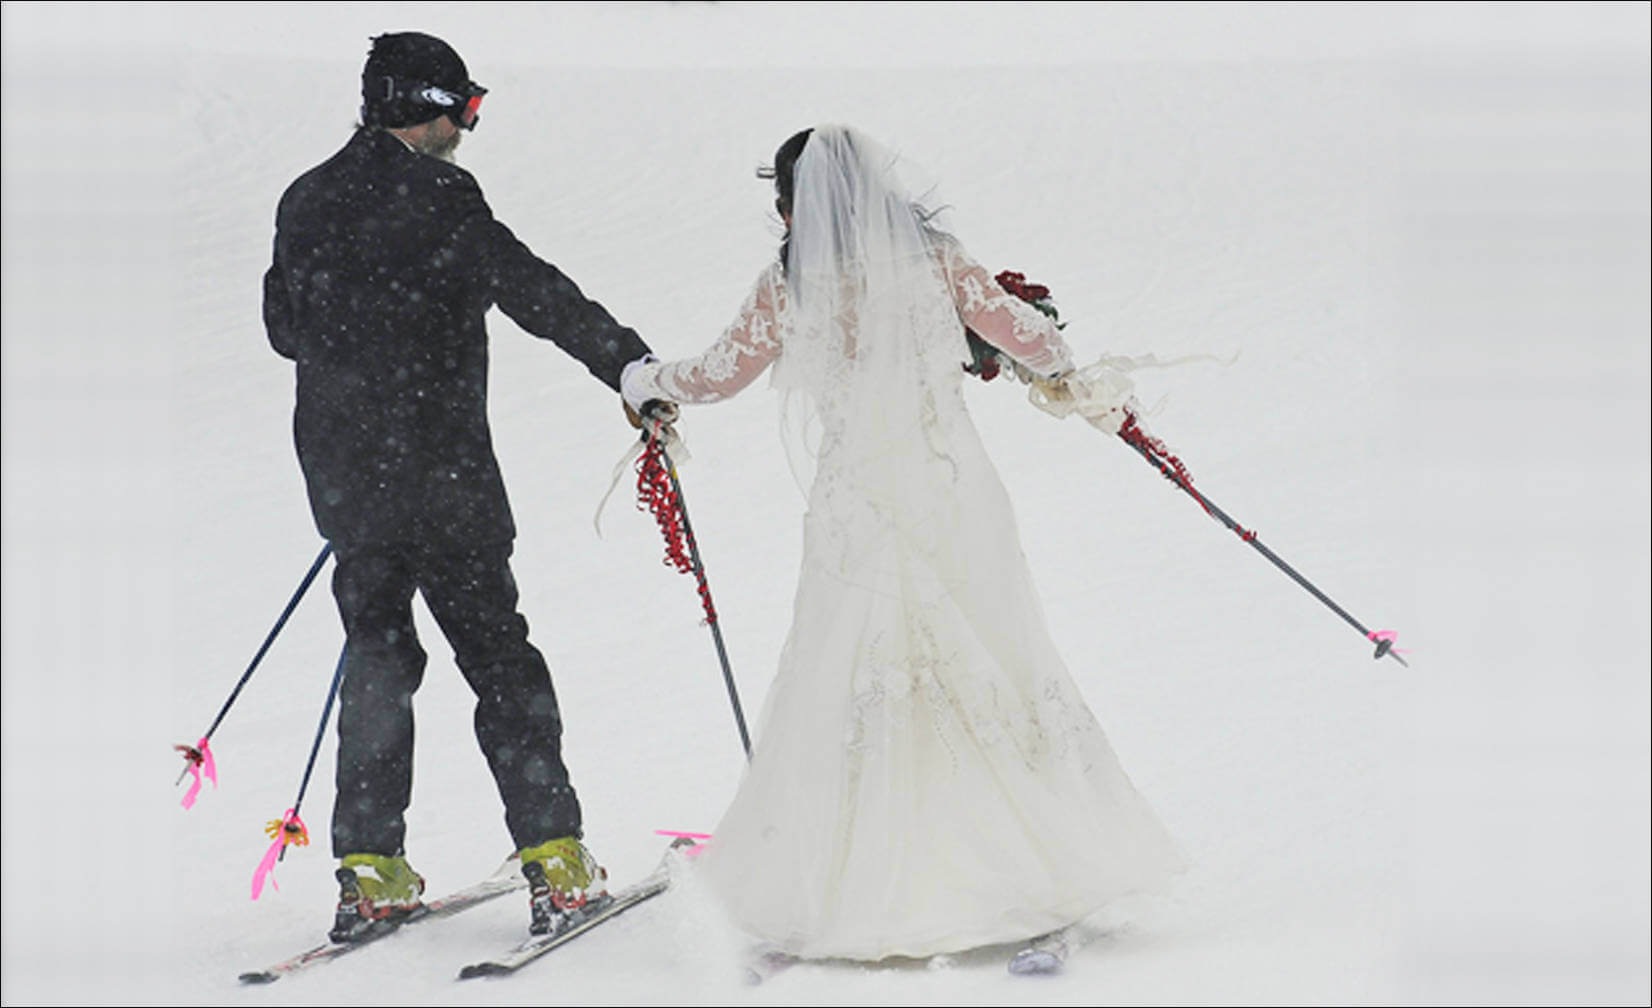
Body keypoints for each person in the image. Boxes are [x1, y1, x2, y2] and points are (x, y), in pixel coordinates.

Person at [619, 126, 1183, 962]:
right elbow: (1038, 342)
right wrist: (1035, 348)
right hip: (949, 486)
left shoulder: (791, 283)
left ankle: (869, 868)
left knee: (856, 667)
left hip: (859, 501)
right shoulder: (935, 260)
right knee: (992, 654)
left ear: (792, 204)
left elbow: (718, 376)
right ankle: (1030, 855)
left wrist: (645, 383)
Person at [262, 31, 663, 941]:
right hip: (443, 479)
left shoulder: (305, 198)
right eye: (464, 111)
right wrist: (628, 366)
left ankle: (369, 870)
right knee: (499, 659)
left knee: (377, 657)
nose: (466, 130)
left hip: (348, 482)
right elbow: (532, 290)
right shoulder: (442, 197)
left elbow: (284, 329)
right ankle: (556, 861)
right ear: (426, 104)